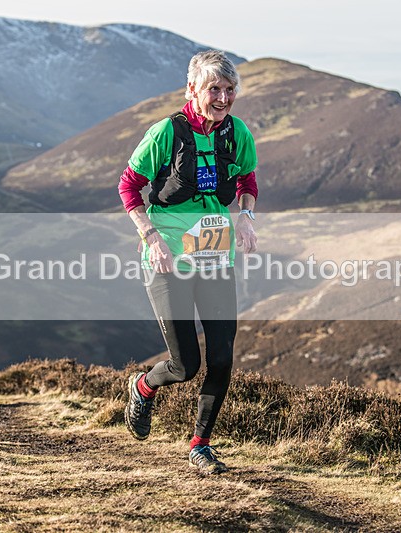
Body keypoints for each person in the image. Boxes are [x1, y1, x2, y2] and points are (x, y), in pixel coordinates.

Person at [117, 50, 258, 474]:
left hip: (215, 256)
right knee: (185, 365)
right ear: (192, 89)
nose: (223, 97)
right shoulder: (166, 132)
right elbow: (129, 187)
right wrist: (152, 237)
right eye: (214, 88)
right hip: (168, 261)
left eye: (230, 89)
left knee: (222, 358)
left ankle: (200, 445)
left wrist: (246, 217)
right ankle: (143, 387)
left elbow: (247, 179)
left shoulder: (236, 133)